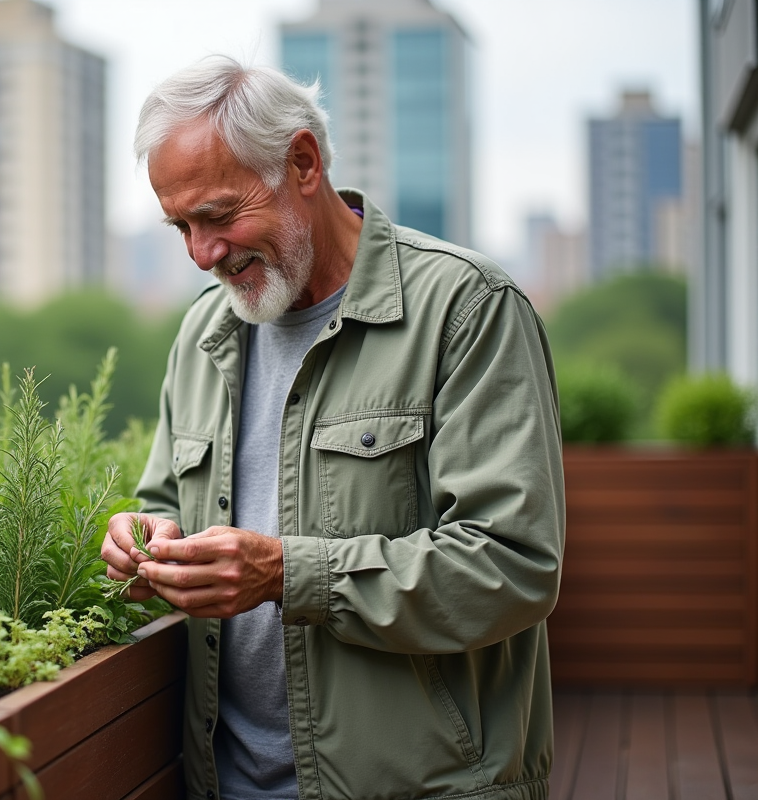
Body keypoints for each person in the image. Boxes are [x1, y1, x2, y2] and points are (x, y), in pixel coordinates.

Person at [101, 55, 564, 800]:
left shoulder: (467, 309)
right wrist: (143, 537)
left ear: (304, 164)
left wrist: (288, 573)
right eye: (181, 225)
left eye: (218, 215)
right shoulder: (201, 334)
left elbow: (512, 566)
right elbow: (167, 503)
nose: (201, 254)